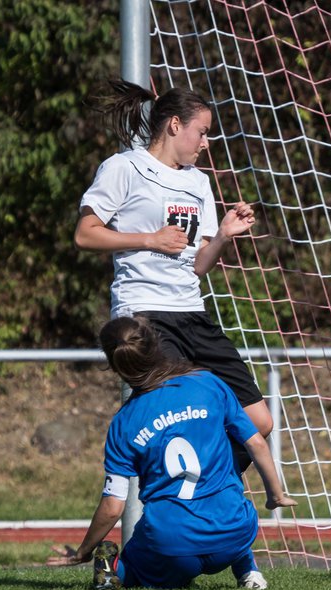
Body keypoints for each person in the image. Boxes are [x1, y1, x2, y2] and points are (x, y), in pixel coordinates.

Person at [74, 80, 271, 469]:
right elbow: (85, 235)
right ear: (175, 125)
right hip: (144, 313)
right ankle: (177, 501)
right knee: (179, 421)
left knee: (258, 421)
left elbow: (199, 264)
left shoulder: (198, 181)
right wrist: (150, 239)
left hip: (191, 312)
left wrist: (225, 236)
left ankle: (203, 488)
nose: (206, 142)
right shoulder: (124, 167)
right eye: (203, 131)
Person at [47, 316, 295, 590]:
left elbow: (113, 507)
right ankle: (248, 572)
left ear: (114, 366)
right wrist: (276, 494)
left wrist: (83, 551)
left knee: (135, 565)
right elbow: (257, 443)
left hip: (174, 545)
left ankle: (114, 569)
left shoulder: (124, 423)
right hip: (235, 534)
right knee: (230, 503)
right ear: (157, 344)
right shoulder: (208, 383)